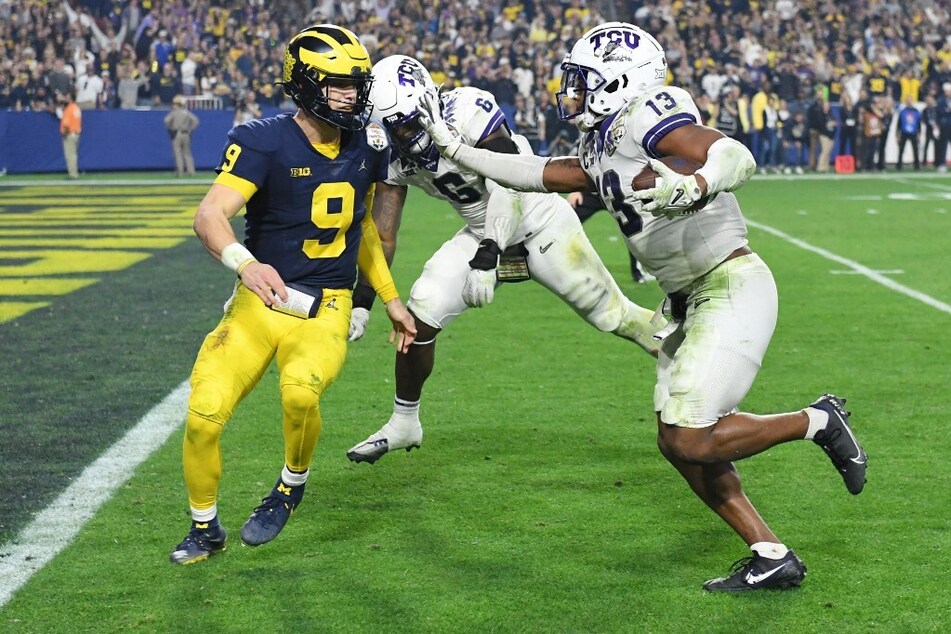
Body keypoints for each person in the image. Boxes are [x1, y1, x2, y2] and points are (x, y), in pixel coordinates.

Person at [416, 21, 867, 592]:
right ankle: (770, 552)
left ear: (618, 81)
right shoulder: (602, 141)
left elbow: (733, 154)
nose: (571, 92)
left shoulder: (648, 114)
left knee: (690, 437)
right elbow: (537, 173)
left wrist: (697, 183)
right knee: (678, 445)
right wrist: (458, 151)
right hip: (685, 300)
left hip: (727, 284)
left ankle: (819, 420)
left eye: (583, 81)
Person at [169, 25, 417, 565]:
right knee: (203, 414)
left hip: (326, 303)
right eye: (337, 85)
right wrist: (246, 262)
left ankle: (289, 486)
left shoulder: (370, 144)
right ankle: (205, 525)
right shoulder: (260, 139)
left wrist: (389, 298)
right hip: (261, 299)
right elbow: (210, 215)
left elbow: (365, 231)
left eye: (356, 84)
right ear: (303, 84)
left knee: (300, 394)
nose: (351, 95)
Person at [345, 55, 658, 464]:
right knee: (421, 309)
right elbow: (384, 234)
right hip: (479, 235)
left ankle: (697, 367)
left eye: (407, 122)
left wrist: (489, 253)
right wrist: (362, 301)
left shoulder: (468, 108)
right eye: (392, 128)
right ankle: (405, 422)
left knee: (617, 317)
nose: (403, 136)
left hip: (539, 222)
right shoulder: (394, 152)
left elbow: (508, 181)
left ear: (426, 100)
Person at [565, 190, 654, 284]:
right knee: (565, 223)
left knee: (635, 228)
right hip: (592, 193)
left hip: (617, 195)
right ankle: (559, 267)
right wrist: (575, 191)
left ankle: (638, 273)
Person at [164, 96, 200, 177]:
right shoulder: (186, 112)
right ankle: (191, 171)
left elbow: (166, 121)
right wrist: (191, 129)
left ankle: (180, 172)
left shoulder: (174, 113)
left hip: (177, 134)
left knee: (178, 153)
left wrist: (170, 128)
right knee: (187, 153)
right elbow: (196, 121)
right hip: (186, 134)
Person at [59, 89, 82, 179]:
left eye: (67, 97)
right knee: (73, 155)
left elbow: (66, 124)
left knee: (70, 155)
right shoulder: (76, 107)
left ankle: (73, 174)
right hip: (76, 133)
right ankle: (74, 172)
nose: (65, 98)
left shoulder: (69, 109)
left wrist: (64, 133)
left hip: (70, 134)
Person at [895, 95, 922, 170]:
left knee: (915, 150)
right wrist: (897, 135)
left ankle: (916, 165)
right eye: (907, 100)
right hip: (904, 132)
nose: (909, 102)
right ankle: (899, 165)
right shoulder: (903, 111)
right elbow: (899, 124)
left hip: (913, 132)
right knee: (901, 150)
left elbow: (918, 123)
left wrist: (919, 133)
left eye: (910, 100)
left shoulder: (916, 111)